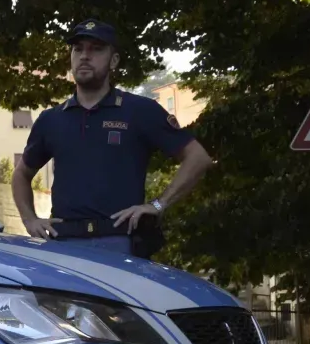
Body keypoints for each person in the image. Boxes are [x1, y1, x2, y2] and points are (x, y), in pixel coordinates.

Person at [12, 18, 213, 257]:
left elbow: (198, 158)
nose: (85, 56)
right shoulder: (51, 119)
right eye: (78, 49)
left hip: (119, 243)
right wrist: (30, 220)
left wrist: (158, 205)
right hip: (62, 244)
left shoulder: (139, 111)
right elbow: (21, 175)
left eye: (96, 49)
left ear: (114, 60)